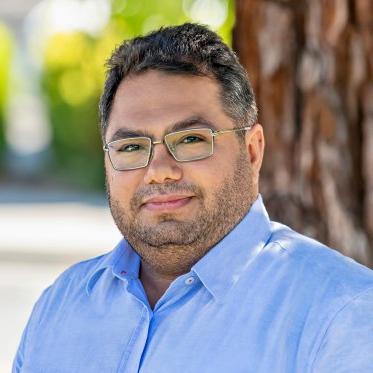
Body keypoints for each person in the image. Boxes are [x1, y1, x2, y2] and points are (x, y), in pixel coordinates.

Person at [13, 23, 373, 373]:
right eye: (132, 146)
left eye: (190, 140)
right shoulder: (60, 304)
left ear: (252, 151)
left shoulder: (342, 315)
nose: (158, 170)